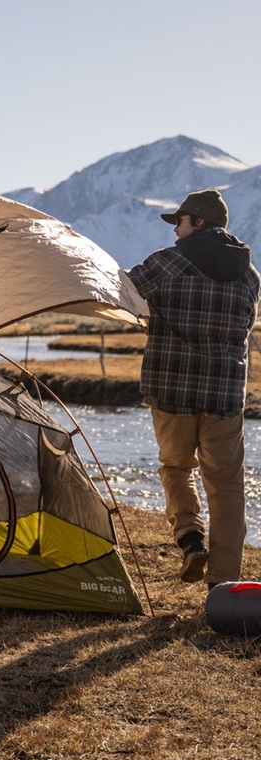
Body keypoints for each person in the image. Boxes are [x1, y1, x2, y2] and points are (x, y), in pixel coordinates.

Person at [128, 189, 260, 591]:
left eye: (180, 223)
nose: (176, 232)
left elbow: (125, 291)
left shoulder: (168, 262)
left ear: (198, 222)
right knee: (227, 488)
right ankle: (223, 585)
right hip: (224, 396)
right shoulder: (250, 275)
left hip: (173, 389)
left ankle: (190, 539)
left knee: (176, 468)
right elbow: (241, 332)